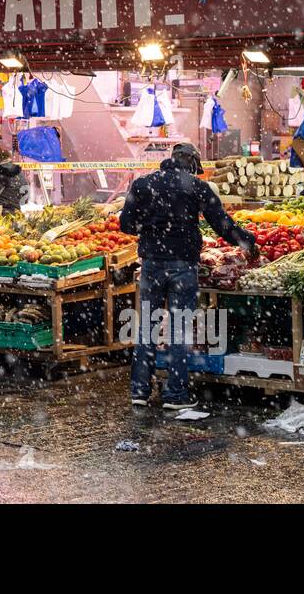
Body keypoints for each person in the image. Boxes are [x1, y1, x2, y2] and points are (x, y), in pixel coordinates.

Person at [119, 142, 257, 410]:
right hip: (183, 265)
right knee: (179, 328)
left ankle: (139, 391)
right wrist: (247, 241)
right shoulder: (197, 187)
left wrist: (151, 231)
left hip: (151, 265)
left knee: (147, 325)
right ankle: (175, 394)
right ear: (192, 163)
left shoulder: (143, 184)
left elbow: (126, 224)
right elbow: (222, 225)